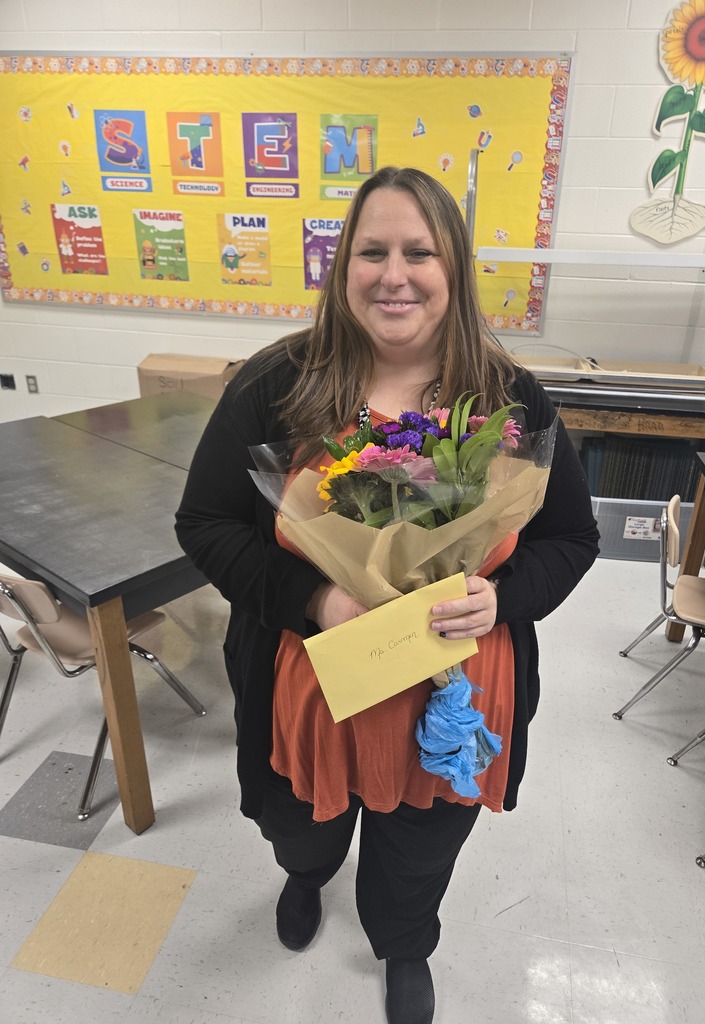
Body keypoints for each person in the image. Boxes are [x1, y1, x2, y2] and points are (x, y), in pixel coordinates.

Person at [175, 166, 599, 1024]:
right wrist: (315, 600)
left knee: (421, 850)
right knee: (302, 828)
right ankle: (305, 876)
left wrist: (502, 598)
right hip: (313, 691)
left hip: (455, 695)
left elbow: (571, 538)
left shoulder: (510, 400)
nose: (393, 275)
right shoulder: (277, 386)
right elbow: (206, 522)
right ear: (343, 266)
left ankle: (405, 942)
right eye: (372, 252)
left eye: (419, 252)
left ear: (454, 269)